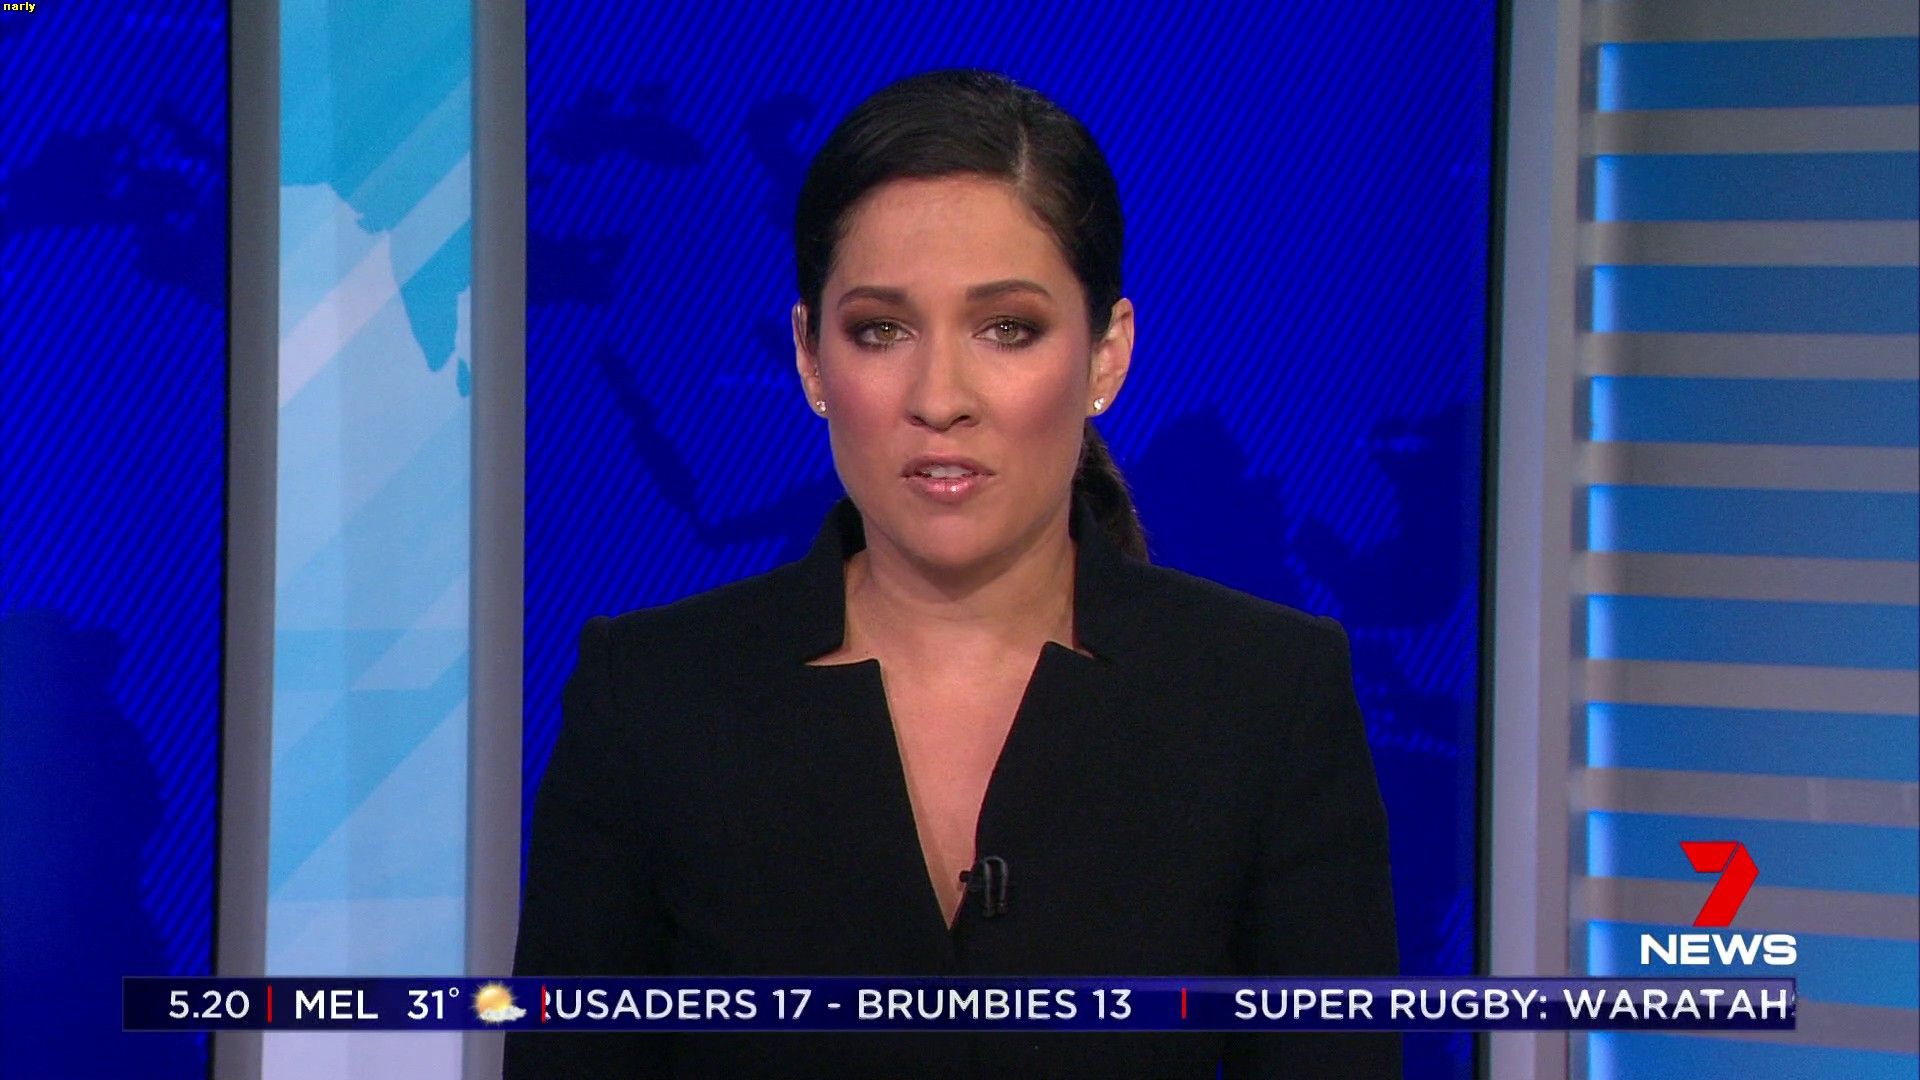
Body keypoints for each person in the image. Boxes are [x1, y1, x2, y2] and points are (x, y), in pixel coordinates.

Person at [506, 68, 1399, 1079]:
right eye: (880, 330)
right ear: (810, 358)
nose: (940, 397)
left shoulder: (1266, 698)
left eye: (1007, 328)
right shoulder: (652, 699)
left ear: (1107, 354)